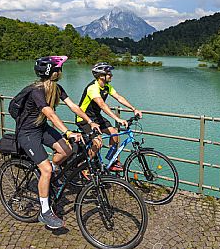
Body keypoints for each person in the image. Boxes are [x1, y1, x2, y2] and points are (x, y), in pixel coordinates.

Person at [17, 56, 100, 230]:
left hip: (42, 128)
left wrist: (90, 121)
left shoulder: (56, 88)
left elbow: (74, 107)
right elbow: (51, 114)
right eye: (59, 69)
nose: (61, 72)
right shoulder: (37, 91)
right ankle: (45, 211)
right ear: (53, 72)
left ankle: (50, 174)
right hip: (28, 133)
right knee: (45, 169)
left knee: (67, 150)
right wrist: (67, 132)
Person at [76, 62, 142, 171]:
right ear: (101, 76)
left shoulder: (106, 86)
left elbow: (119, 97)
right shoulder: (93, 88)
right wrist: (117, 119)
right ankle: (84, 166)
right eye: (109, 73)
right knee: (97, 143)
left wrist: (133, 109)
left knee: (114, 134)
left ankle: (112, 162)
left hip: (96, 117)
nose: (111, 75)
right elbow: (102, 104)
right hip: (84, 119)